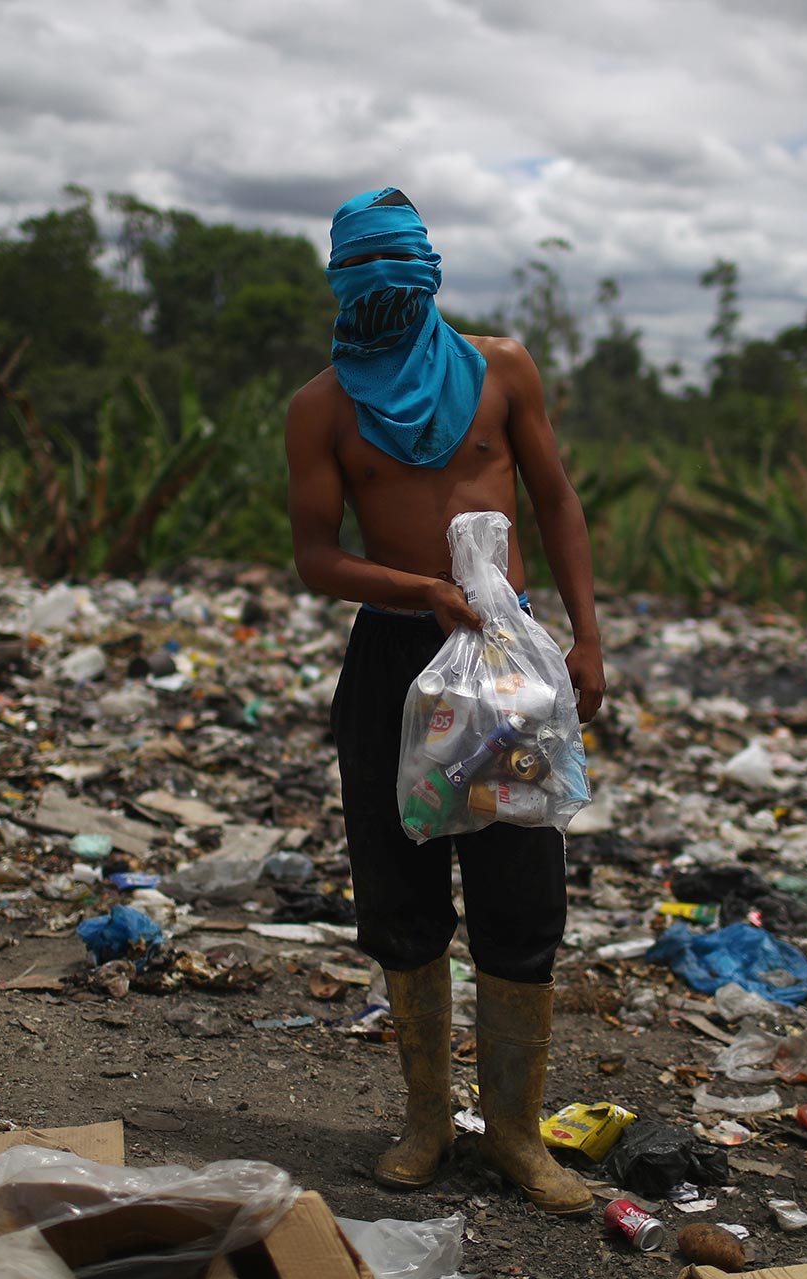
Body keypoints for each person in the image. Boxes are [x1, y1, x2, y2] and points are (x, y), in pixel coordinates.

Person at [285, 187, 605, 1215]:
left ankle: (516, 1133)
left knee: (519, 889)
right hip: (394, 664)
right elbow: (316, 557)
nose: (384, 295)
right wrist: (417, 589)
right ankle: (427, 1121)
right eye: (364, 278)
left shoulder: (501, 368)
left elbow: (553, 497)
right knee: (401, 888)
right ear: (342, 286)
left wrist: (587, 633)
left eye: (399, 277)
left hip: (505, 666)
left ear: (428, 278)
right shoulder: (323, 407)